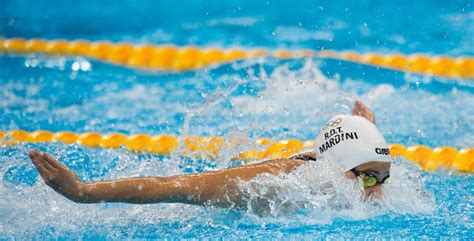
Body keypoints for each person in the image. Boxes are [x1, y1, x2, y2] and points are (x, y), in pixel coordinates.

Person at [29, 100, 391, 208]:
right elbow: (176, 185)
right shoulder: (274, 184)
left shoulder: (349, 172)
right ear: (341, 167)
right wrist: (83, 192)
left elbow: (354, 158)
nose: (378, 189)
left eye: (382, 176)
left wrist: (364, 128)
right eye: (370, 177)